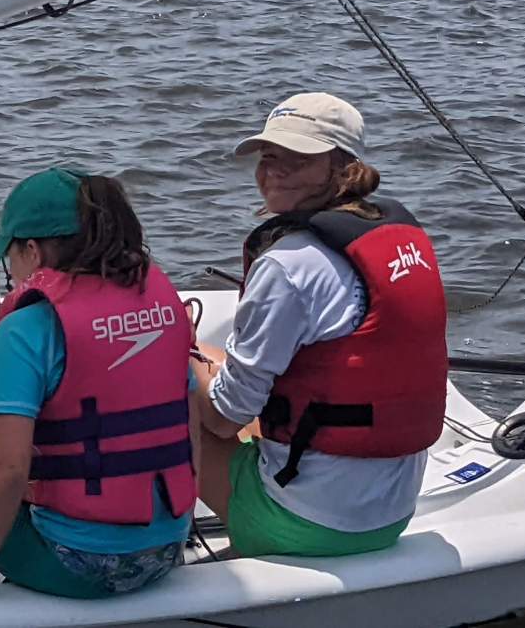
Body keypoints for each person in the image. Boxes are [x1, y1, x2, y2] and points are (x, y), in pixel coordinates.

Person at [0, 168, 197, 598]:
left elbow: (8, 469)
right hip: (165, 551)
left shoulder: (28, 329)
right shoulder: (161, 308)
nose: (10, 269)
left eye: (9, 256)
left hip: (79, 567)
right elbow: (183, 422)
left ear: (32, 252)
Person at [190, 92, 449, 558]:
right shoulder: (398, 241)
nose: (275, 170)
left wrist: (177, 352)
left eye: (298, 158)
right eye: (269, 156)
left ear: (342, 166)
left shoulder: (288, 265)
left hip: (305, 525)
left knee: (167, 386)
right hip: (389, 516)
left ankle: (138, 547)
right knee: (216, 359)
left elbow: (222, 421)